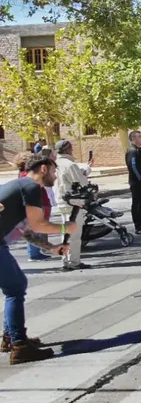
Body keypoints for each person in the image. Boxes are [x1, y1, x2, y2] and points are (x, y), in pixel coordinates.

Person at [0, 155, 75, 363]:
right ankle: (20, 347)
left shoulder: (20, 185)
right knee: (15, 288)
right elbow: (38, 225)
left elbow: (24, 231)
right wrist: (65, 228)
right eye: (53, 171)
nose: (55, 175)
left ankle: (11, 338)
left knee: (16, 285)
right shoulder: (32, 187)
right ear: (43, 168)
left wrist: (51, 247)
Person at [53, 140, 92, 270]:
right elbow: (81, 183)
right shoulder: (70, 165)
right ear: (68, 149)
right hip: (73, 203)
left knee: (65, 233)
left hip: (61, 201)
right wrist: (84, 174)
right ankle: (74, 261)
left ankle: (65, 259)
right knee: (74, 234)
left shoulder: (55, 164)